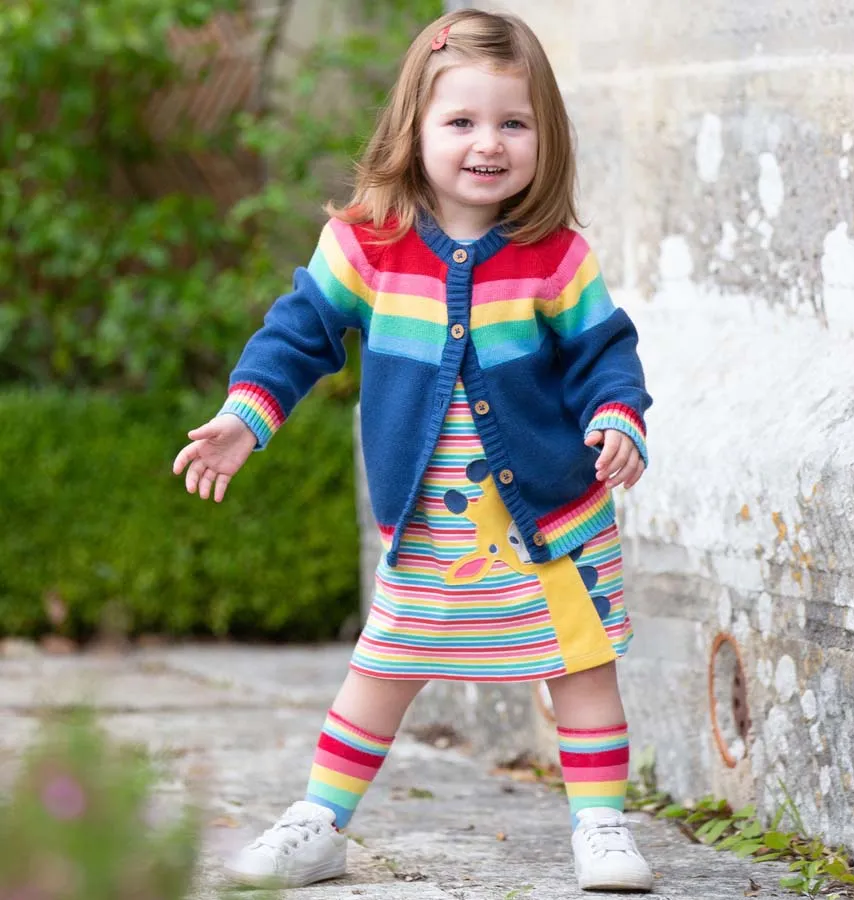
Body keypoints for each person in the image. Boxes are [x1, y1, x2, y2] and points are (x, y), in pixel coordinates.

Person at [173, 7, 654, 893]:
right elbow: (300, 331)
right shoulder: (367, 244)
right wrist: (248, 414)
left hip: (549, 518)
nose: (489, 143)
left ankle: (603, 827)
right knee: (383, 669)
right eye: (462, 121)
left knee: (579, 670)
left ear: (545, 136)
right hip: (431, 527)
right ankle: (319, 821)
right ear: (415, 128)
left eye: (515, 123)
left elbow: (602, 353)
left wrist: (617, 417)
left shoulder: (554, 256)